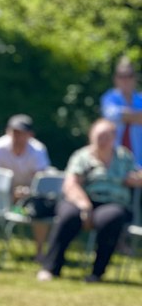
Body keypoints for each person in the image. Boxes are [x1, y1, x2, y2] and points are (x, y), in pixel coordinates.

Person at [37, 118, 142, 282]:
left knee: (112, 218)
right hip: (82, 199)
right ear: (91, 136)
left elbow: (136, 176)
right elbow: (70, 185)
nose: (102, 140)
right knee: (68, 216)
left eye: (106, 136)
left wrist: (135, 179)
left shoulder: (124, 157)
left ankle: (97, 273)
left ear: (114, 138)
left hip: (113, 203)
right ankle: (51, 268)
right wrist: (84, 205)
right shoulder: (82, 156)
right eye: (98, 136)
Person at [0, 114, 51, 261]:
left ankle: (39, 252)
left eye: (21, 133)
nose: (16, 136)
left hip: (29, 195)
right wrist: (10, 192)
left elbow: (41, 178)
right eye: (14, 131)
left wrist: (26, 192)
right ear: (7, 131)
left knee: (42, 207)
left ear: (30, 135)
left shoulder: (38, 150)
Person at [100, 56, 142, 167]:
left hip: (139, 163)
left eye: (129, 76)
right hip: (114, 164)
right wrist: (136, 117)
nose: (125, 80)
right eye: (121, 76)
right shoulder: (109, 98)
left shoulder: (140, 99)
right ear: (115, 79)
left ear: (135, 78)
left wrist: (125, 115)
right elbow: (112, 115)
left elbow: (120, 116)